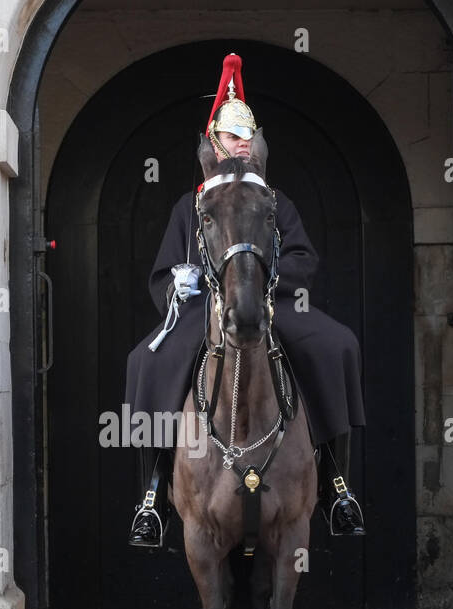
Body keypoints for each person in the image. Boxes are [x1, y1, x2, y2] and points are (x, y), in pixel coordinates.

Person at [125, 53, 367, 548]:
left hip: (270, 305)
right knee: (143, 363)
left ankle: (337, 483)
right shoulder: (190, 207)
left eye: (246, 138)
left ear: (256, 146)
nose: (239, 145)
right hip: (203, 312)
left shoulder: (274, 201)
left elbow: (304, 258)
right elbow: (162, 271)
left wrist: (264, 279)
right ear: (214, 144)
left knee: (338, 344)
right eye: (230, 137)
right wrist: (179, 284)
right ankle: (151, 494)